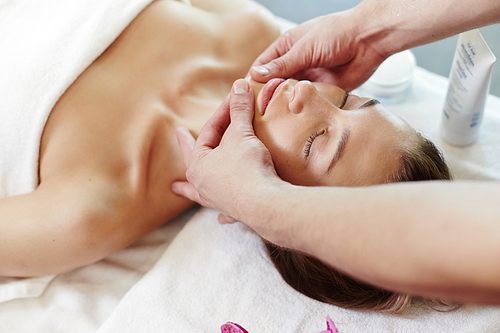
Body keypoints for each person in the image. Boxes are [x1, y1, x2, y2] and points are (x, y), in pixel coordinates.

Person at [1, 0, 453, 312]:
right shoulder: (250, 32)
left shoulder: (92, 210)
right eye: (350, 101)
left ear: (270, 208)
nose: (311, 97)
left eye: (317, 140)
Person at [172, 0, 500, 305]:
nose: (307, 90)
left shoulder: (137, 179)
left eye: (315, 141)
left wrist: (257, 203)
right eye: (347, 100)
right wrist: (367, 31)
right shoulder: (256, 27)